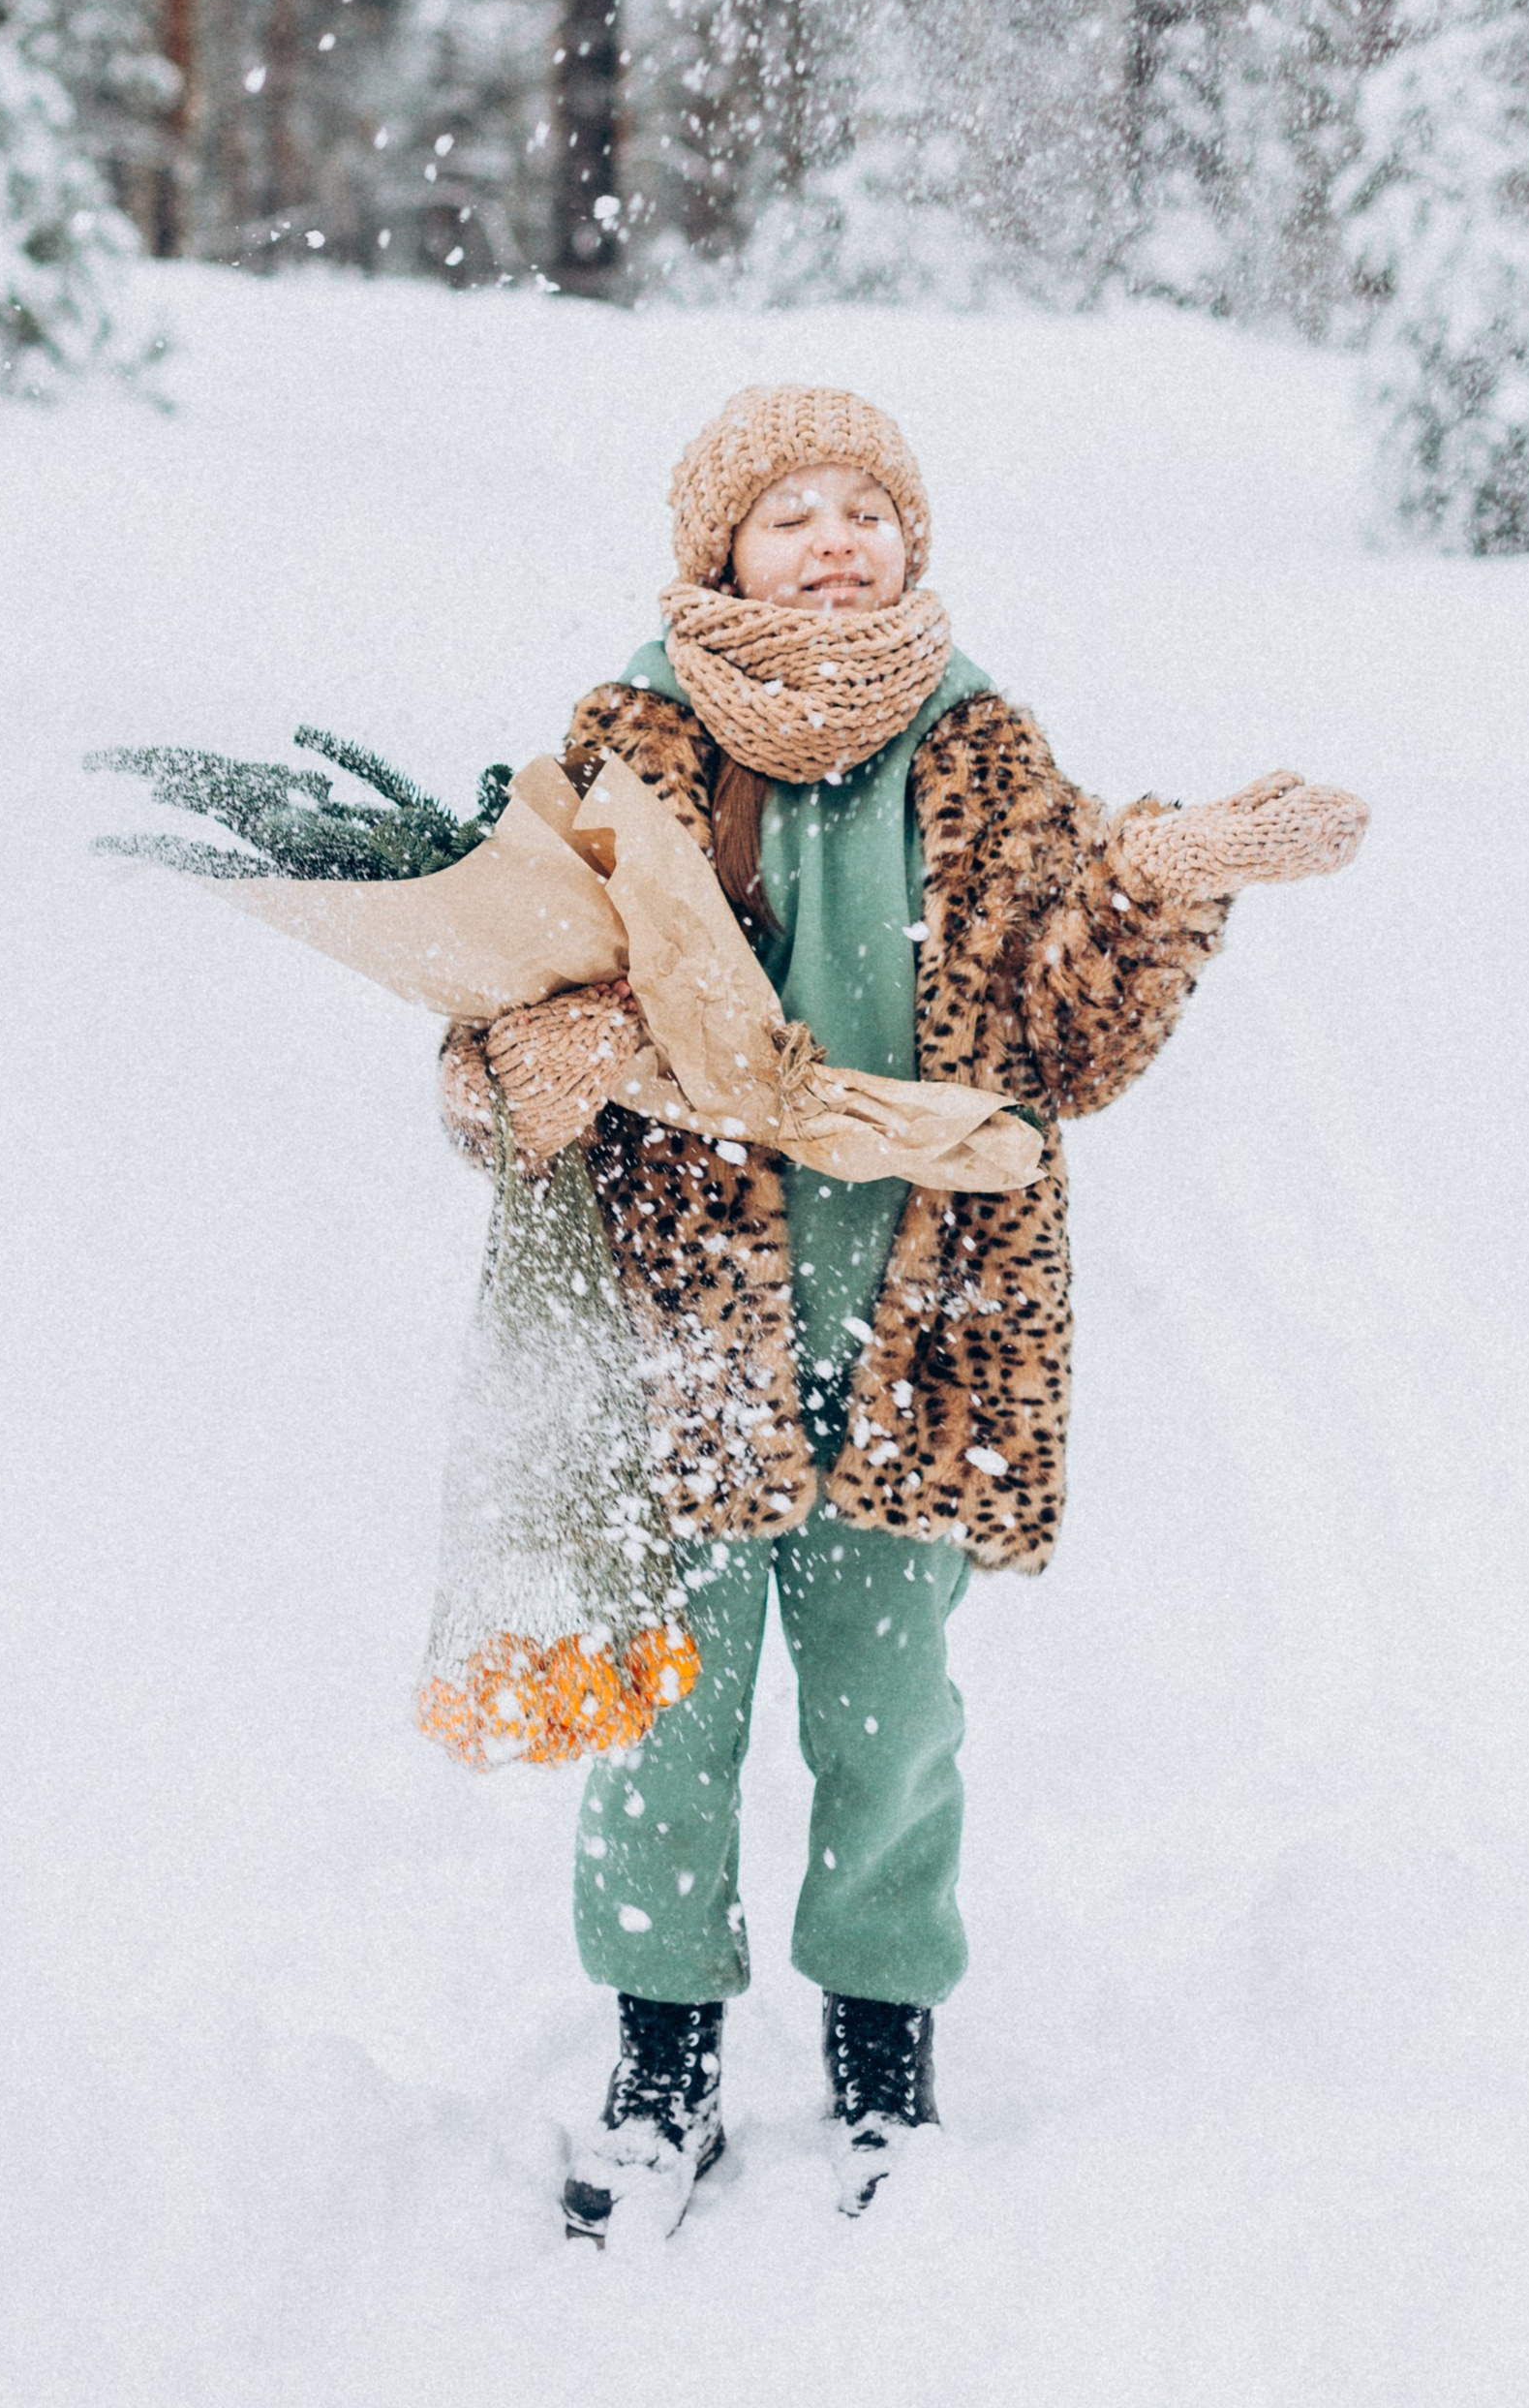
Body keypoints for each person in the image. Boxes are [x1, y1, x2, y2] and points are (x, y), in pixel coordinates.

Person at [439, 383, 1367, 2240]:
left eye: (867, 505)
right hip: (679, 1330)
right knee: (661, 1725)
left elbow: (1063, 1036)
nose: (836, 537)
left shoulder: (984, 749)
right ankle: (661, 2074)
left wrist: (1159, 882)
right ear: (720, 550)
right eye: (791, 512)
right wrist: (531, 1052)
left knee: (891, 1722)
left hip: (920, 1338)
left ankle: (883, 2077)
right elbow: (503, 995)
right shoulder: (628, 746)